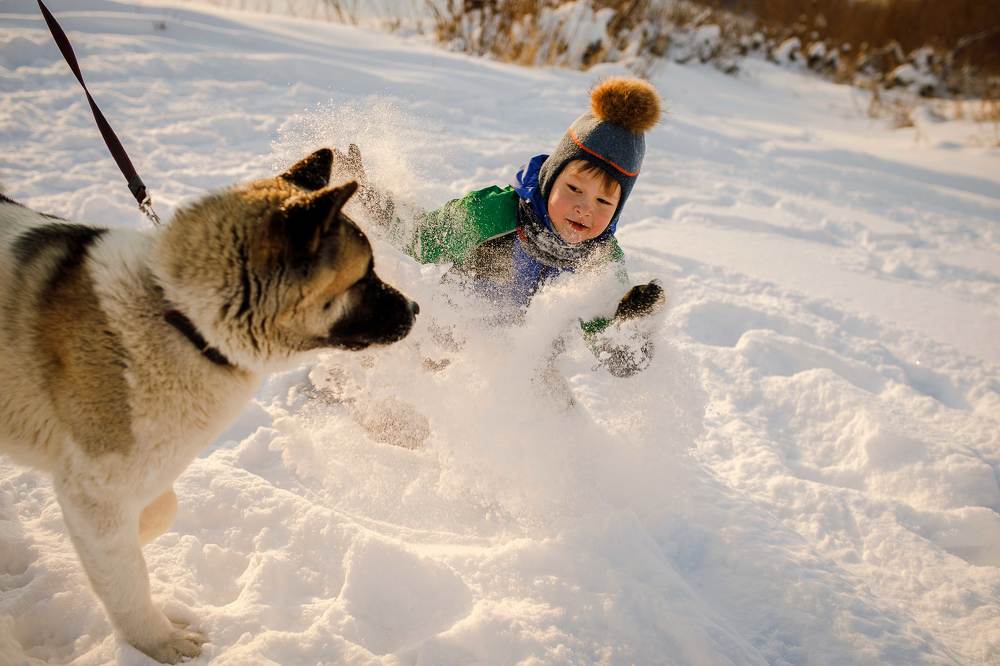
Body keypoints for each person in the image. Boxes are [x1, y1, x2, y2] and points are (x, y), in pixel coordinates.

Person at [335, 77, 666, 376]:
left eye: (603, 203)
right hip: (442, 352)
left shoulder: (601, 262)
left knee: (552, 417)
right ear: (550, 179)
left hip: (521, 377)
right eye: (574, 189)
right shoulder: (498, 214)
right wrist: (367, 197)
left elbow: (613, 352)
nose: (584, 208)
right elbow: (426, 239)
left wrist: (632, 324)